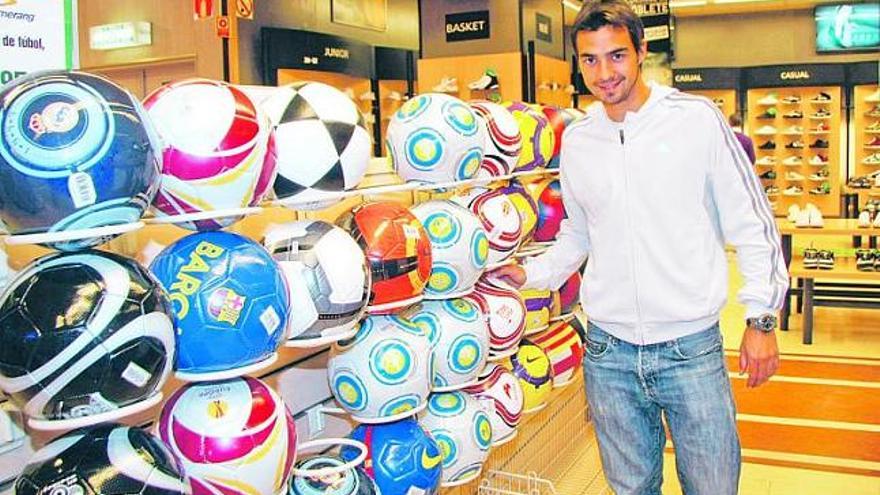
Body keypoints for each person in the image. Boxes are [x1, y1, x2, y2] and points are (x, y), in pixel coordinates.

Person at [490, 1, 788, 493]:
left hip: (691, 348)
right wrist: (532, 274)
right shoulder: (579, 141)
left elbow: (752, 224)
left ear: (642, 52)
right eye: (590, 59)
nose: (605, 73)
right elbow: (579, 234)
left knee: (713, 486)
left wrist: (761, 318)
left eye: (617, 56)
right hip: (609, 354)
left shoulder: (696, 121)